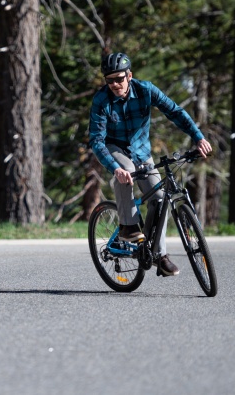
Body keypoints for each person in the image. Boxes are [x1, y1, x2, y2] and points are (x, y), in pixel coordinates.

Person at [88, 52, 212, 276]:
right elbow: (96, 140)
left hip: (142, 152)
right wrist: (114, 168)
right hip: (115, 148)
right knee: (125, 172)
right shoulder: (101, 100)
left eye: (119, 78)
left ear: (129, 75)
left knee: (158, 198)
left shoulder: (146, 90)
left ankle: (158, 255)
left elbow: (175, 112)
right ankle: (128, 226)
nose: (115, 84)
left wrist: (198, 137)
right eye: (110, 80)